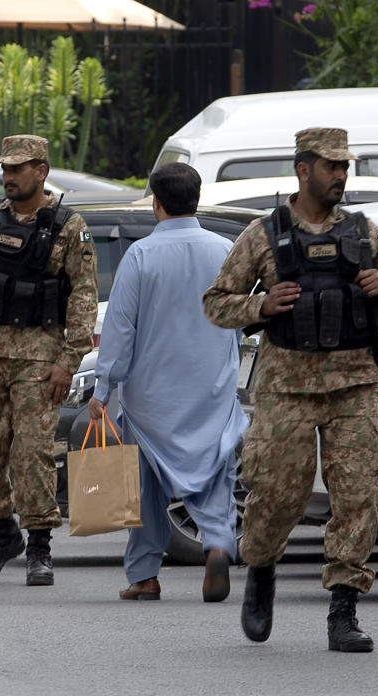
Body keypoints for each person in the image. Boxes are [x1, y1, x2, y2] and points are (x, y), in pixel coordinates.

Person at [203, 127, 378, 651]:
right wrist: (260, 306)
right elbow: (215, 302)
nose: (341, 176)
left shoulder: (365, 232)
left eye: (345, 167)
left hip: (353, 385)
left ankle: (343, 612)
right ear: (304, 170)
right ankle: (261, 571)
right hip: (286, 387)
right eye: (331, 167)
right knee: (277, 493)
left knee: (357, 495)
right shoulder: (263, 234)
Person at [87, 162, 249, 603]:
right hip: (211, 390)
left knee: (145, 487)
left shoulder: (140, 256)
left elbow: (119, 332)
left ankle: (144, 575)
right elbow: (238, 321)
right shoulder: (225, 250)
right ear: (196, 200)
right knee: (216, 473)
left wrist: (102, 390)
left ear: (156, 203)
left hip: (150, 400)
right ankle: (217, 543)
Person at [0, 134, 98, 587]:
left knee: (31, 453)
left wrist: (68, 361)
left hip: (39, 356)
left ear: (41, 171)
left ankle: (39, 547)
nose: (8, 178)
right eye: (5, 170)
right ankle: (4, 529)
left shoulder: (69, 227)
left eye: (18, 169)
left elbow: (84, 298)